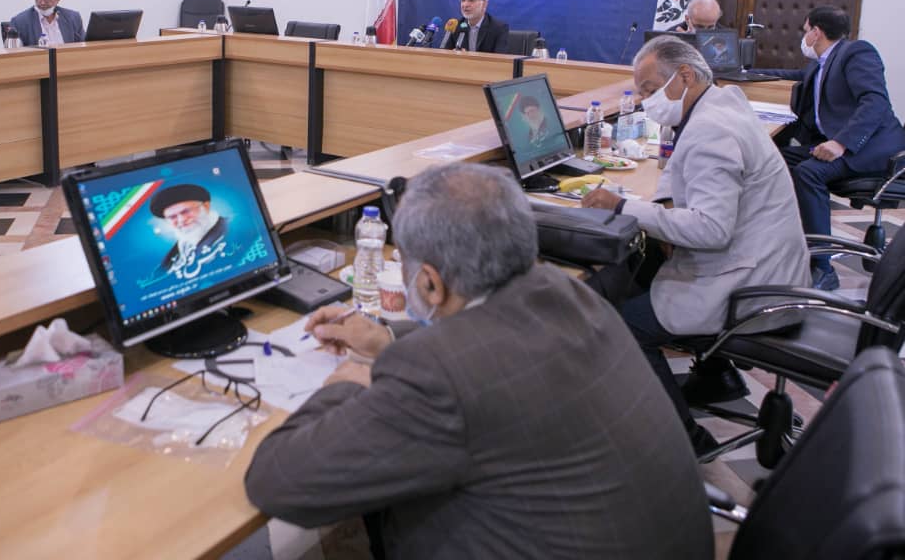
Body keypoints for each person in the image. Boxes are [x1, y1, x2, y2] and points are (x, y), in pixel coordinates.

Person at [246, 163, 713, 559]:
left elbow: (279, 481)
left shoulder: (440, 378)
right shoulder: (569, 292)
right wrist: (386, 337)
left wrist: (346, 384)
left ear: (430, 283)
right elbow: (490, 352)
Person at [582, 35, 810, 453]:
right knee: (642, 268)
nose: (646, 101)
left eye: (650, 89)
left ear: (684, 76)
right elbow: (683, 169)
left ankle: (684, 440)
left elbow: (711, 229)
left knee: (624, 324)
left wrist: (623, 206)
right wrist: (665, 206)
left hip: (749, 287)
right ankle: (716, 377)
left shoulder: (712, 129)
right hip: (768, 267)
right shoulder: (720, 104)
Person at [759, 5, 905, 291]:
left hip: (871, 148)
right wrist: (742, 73)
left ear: (816, 32)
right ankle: (787, 243)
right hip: (845, 145)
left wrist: (841, 143)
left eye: (805, 31)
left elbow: (874, 102)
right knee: (775, 158)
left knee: (809, 173)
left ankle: (823, 268)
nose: (803, 38)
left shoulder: (856, 53)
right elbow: (793, 75)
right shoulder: (822, 63)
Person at [148, 183, 228, 280]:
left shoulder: (232, 229)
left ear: (206, 207)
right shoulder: (177, 251)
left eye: (186, 211)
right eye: (172, 217)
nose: (181, 220)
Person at [9, 0, 84, 47]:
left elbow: (84, 46)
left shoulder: (73, 18)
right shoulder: (19, 22)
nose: (42, 2)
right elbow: (15, 54)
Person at [442, 0, 509, 53]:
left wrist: (467, 57)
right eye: (463, 0)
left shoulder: (498, 28)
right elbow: (444, 54)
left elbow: (499, 57)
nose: (465, 5)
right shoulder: (456, 26)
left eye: (471, 0)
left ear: (484, 4)